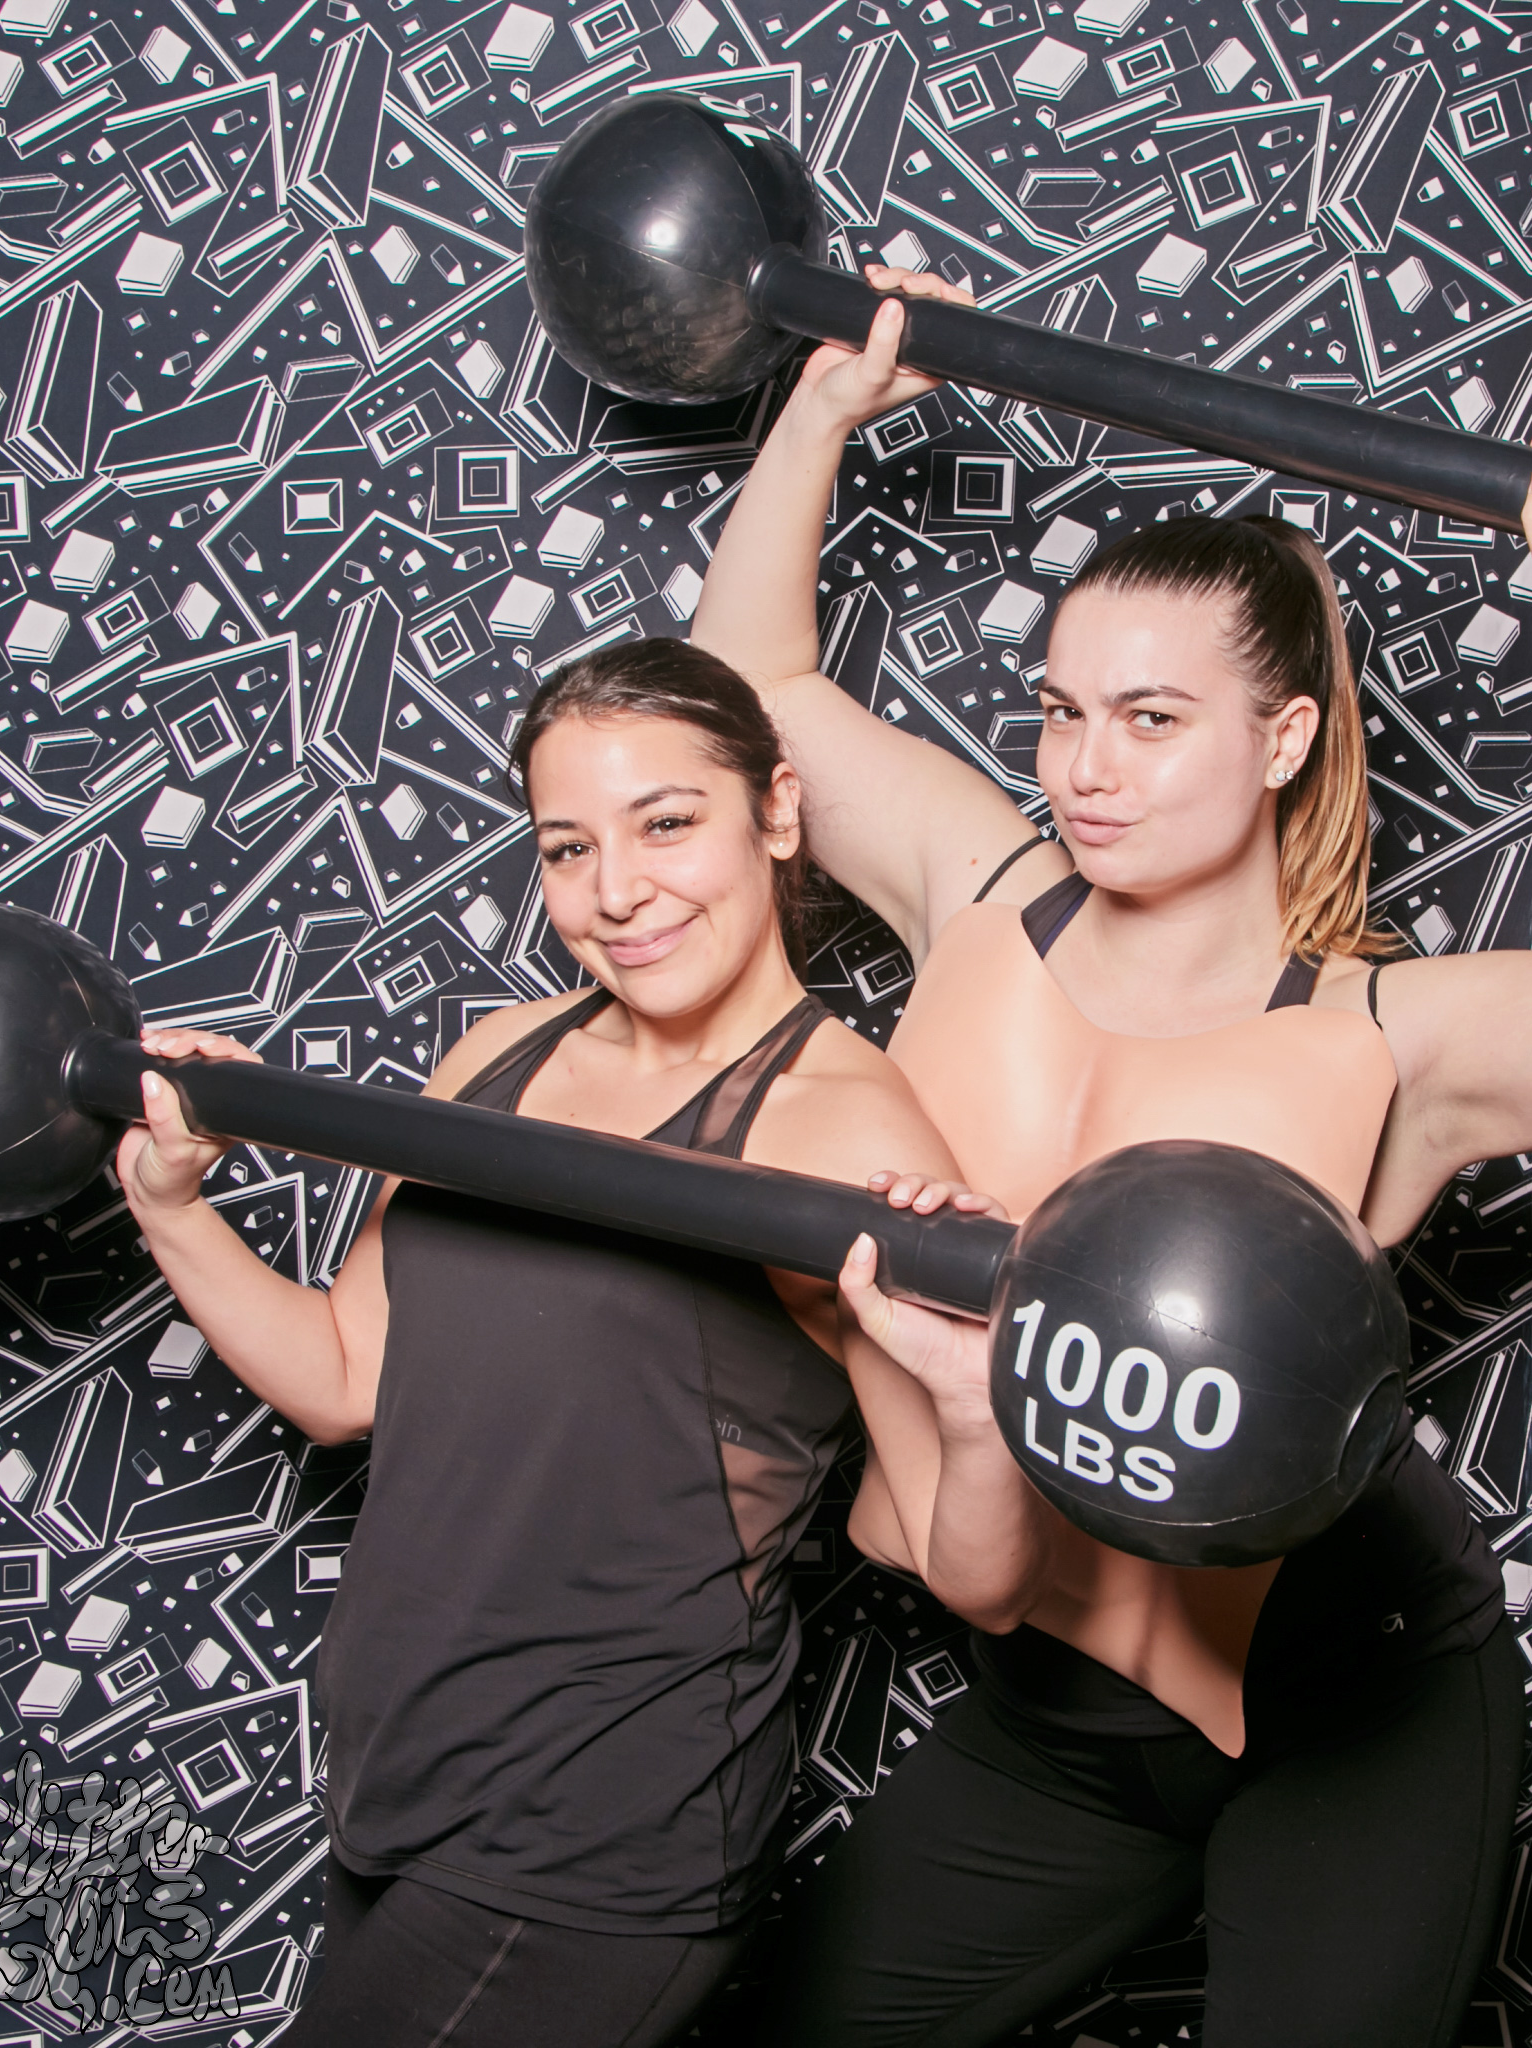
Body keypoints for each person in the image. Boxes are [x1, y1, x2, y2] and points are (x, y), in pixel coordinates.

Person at [690, 270, 1529, 2048]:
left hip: (1350, 1703)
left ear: (1281, 737)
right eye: (1062, 711)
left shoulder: (1402, 1037)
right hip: (1053, 1712)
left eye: (1151, 720)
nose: (1085, 767)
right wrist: (819, 410)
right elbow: (746, 686)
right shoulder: (976, 889)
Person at [114, 639, 976, 2048]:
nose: (614, 892)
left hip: (599, 1828)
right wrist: (172, 1206)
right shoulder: (495, 1057)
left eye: (666, 823)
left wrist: (981, 1396)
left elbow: (961, 1557)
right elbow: (346, 1378)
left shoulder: (847, 1131)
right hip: (405, 1776)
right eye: (568, 848)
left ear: (775, 813)